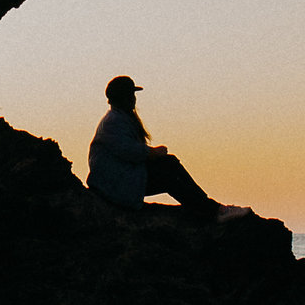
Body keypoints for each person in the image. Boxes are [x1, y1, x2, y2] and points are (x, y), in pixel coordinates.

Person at [88, 75, 251, 220]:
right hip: (116, 184)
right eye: (131, 95)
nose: (133, 99)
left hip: (119, 180)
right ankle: (212, 210)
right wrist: (153, 152)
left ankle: (209, 208)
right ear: (124, 97)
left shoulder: (117, 119)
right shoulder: (114, 121)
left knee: (170, 166)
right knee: (169, 172)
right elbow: (129, 151)